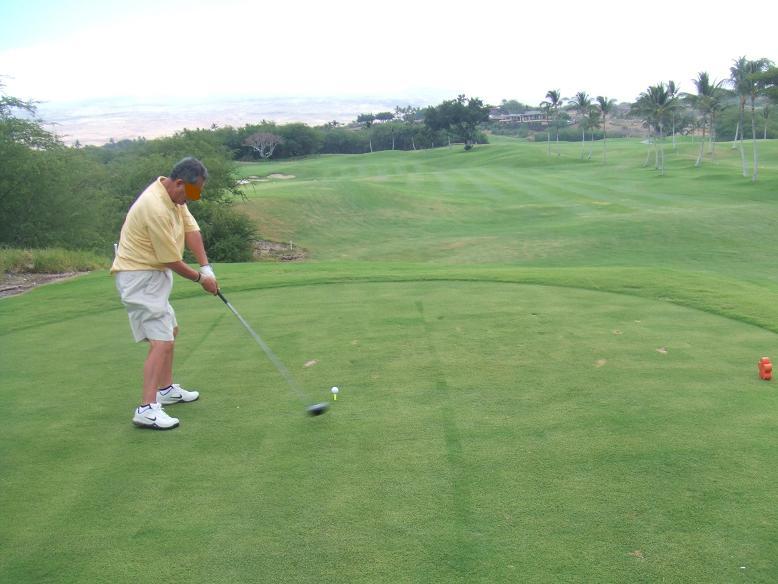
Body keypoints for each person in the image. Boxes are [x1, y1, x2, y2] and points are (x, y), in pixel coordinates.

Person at [111, 157, 219, 430]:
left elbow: (191, 230)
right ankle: (146, 409)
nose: (192, 199)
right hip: (138, 277)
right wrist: (201, 280)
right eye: (192, 193)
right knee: (161, 340)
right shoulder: (155, 206)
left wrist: (207, 268)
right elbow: (171, 259)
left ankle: (166, 390)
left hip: (152, 275)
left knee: (170, 331)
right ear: (180, 183)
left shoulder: (175, 198)